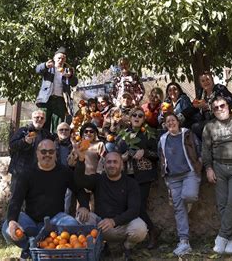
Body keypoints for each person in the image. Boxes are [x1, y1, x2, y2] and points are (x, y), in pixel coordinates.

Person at [1, 138, 90, 259]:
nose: (47, 154)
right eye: (43, 152)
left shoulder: (64, 172)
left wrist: (84, 206)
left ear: (55, 154)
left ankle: (43, 247)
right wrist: (12, 220)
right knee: (7, 228)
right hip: (31, 222)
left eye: (50, 152)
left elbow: (79, 190)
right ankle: (29, 247)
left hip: (55, 220)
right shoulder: (26, 173)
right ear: (37, 153)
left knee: (72, 225)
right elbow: (16, 200)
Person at [74, 151, 148, 261]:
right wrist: (80, 160)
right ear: (104, 165)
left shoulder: (131, 183)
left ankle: (127, 247)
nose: (112, 165)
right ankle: (100, 246)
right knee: (81, 217)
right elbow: (80, 181)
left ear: (121, 165)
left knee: (140, 228)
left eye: (115, 162)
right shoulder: (98, 179)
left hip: (123, 225)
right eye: (108, 162)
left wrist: (114, 221)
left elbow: (134, 210)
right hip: (100, 226)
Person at [202, 96, 232, 254]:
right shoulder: (209, 126)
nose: (220, 109)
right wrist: (208, 168)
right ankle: (231, 239)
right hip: (219, 167)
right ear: (212, 111)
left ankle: (221, 237)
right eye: (216, 108)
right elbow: (205, 149)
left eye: (222, 105)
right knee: (222, 204)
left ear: (228, 106)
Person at [158, 113, 202, 257]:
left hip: (189, 172)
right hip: (172, 178)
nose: (170, 123)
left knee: (189, 196)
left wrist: (200, 164)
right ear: (165, 125)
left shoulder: (187, 134)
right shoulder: (163, 139)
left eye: (173, 120)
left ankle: (185, 201)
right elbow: (161, 156)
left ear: (178, 122)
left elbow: (198, 148)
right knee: (178, 210)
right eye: (167, 121)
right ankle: (184, 241)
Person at [117, 107, 159, 249]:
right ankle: (134, 237)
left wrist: (144, 152)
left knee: (139, 206)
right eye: (134, 115)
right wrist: (122, 157)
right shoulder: (122, 135)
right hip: (127, 176)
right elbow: (117, 154)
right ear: (130, 117)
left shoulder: (148, 134)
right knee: (129, 206)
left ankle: (152, 231)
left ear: (143, 119)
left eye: (140, 116)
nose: (137, 117)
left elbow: (157, 154)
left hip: (143, 175)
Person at [8, 109, 52, 194]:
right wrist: (24, 141)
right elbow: (12, 145)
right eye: (37, 117)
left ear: (45, 120)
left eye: (42, 118)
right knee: (16, 200)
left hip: (38, 173)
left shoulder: (46, 134)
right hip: (20, 172)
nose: (39, 119)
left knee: (33, 202)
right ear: (32, 118)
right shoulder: (23, 131)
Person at [36, 47, 78, 133]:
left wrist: (70, 76)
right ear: (54, 58)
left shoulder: (68, 70)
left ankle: (56, 143)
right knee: (43, 123)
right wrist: (45, 65)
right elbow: (37, 70)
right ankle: (43, 144)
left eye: (63, 58)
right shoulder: (49, 68)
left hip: (60, 100)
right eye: (59, 58)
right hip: (46, 99)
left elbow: (74, 83)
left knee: (58, 125)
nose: (61, 60)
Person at [192, 72, 232, 138]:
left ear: (212, 80)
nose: (206, 82)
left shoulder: (219, 88)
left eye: (207, 79)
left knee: (196, 128)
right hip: (206, 118)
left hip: (219, 117)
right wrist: (196, 105)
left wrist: (208, 106)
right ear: (201, 84)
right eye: (203, 81)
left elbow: (230, 101)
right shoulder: (201, 92)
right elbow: (197, 104)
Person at [55, 122, 74, 214]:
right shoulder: (52, 144)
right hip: (54, 174)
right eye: (61, 130)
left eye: (66, 130)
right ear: (57, 131)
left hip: (69, 175)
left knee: (67, 200)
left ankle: (64, 220)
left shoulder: (74, 145)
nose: (64, 131)